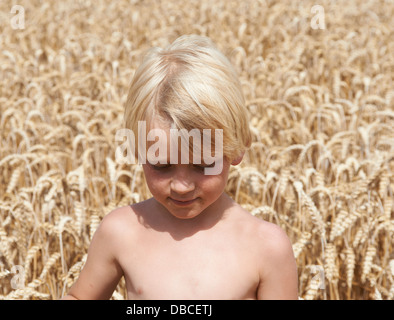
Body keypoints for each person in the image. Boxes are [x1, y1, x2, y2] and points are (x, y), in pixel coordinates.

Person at [62, 35, 298, 300]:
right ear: (137, 149)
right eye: (161, 166)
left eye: (203, 164)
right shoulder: (120, 232)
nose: (181, 185)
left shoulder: (266, 247)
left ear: (237, 148)